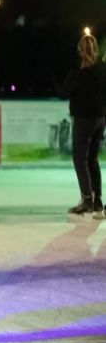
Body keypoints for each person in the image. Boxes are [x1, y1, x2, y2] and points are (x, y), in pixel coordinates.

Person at [57, 33, 106, 217]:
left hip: (83, 120)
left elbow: (63, 93)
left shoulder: (77, 73)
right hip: (100, 120)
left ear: (79, 51)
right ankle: (98, 201)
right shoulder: (102, 70)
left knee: (80, 160)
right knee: (92, 159)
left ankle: (87, 200)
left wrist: (55, 81)